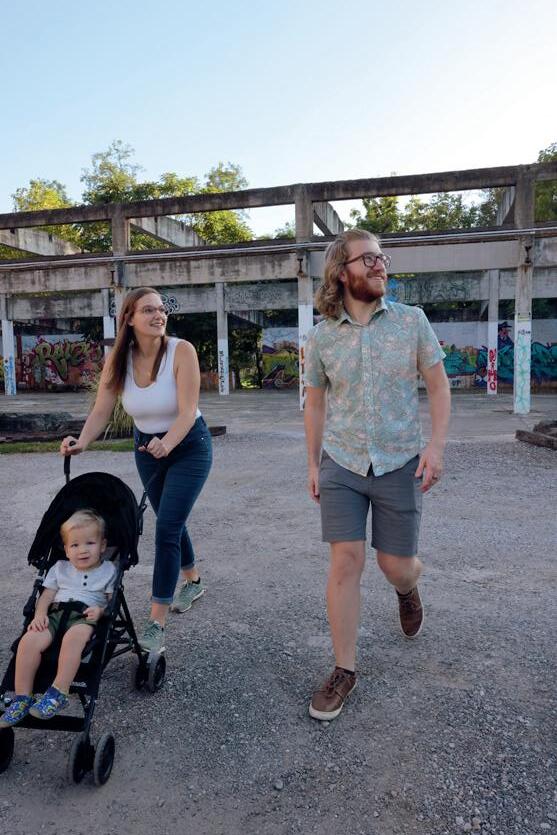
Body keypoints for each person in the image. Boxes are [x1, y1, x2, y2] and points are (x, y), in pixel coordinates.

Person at [304, 229, 451, 721]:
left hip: (399, 461)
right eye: (367, 259)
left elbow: (438, 385)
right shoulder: (322, 336)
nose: (379, 265)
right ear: (341, 272)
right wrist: (313, 463)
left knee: (395, 564)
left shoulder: (412, 321)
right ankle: (344, 669)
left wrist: (435, 446)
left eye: (381, 257)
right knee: (345, 563)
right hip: (342, 462)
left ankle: (408, 587)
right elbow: (315, 403)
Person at [60, 287, 212, 655]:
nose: (159, 315)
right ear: (129, 318)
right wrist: (82, 441)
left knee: (167, 528)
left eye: (161, 309)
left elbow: (187, 411)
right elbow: (102, 408)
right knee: (169, 518)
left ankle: (156, 623)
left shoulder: (181, 351)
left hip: (189, 446)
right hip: (147, 449)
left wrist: (168, 443)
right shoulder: (119, 360)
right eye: (148, 310)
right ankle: (193, 580)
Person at [0, 509, 114, 726]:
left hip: (84, 616)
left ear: (102, 546)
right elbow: (46, 596)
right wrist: (40, 614)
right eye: (75, 545)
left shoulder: (108, 570)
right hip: (55, 614)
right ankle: (22, 697)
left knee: (73, 639)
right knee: (28, 641)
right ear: (66, 550)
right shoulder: (60, 568)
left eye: (90, 543)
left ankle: (58, 692)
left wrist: (101, 611)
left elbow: (111, 601)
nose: (82, 550)